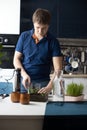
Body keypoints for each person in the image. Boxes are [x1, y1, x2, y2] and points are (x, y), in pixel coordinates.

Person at [13, 8, 63, 94]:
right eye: (37, 27)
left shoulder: (53, 42)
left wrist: (50, 86)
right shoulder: (24, 36)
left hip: (44, 84)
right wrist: (24, 75)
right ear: (33, 24)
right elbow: (16, 59)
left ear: (48, 26)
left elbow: (58, 68)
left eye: (44, 28)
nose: (40, 31)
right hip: (24, 82)